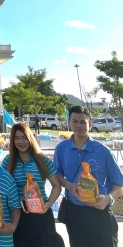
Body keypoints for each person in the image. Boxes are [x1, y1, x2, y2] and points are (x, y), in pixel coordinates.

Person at [54, 106, 123, 247]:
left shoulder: (103, 151)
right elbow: (57, 175)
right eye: (75, 121)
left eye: (83, 122)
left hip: (99, 212)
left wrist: (108, 198)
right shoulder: (62, 148)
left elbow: (120, 184)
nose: (79, 125)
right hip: (75, 212)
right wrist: (69, 185)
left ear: (90, 124)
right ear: (69, 122)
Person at [1, 123, 64, 247]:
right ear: (12, 141)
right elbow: (2, 187)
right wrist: (16, 198)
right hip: (17, 215)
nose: (21, 142)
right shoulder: (8, 161)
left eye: (24, 138)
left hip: (41, 214)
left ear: (30, 138)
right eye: (17, 138)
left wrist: (48, 204)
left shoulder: (42, 160)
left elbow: (57, 186)